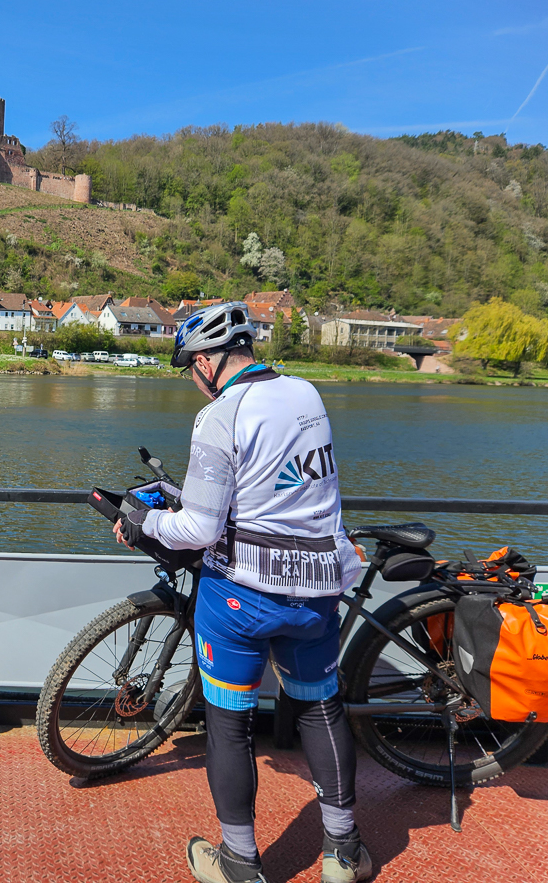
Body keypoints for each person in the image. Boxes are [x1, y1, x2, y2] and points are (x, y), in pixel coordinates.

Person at [114, 302, 372, 883]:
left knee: (231, 726)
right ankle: (343, 853)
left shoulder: (219, 416)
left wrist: (144, 521)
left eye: (190, 369)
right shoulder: (306, 393)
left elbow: (200, 528)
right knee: (321, 710)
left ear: (206, 362)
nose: (193, 380)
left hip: (241, 597)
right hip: (317, 590)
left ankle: (239, 862)